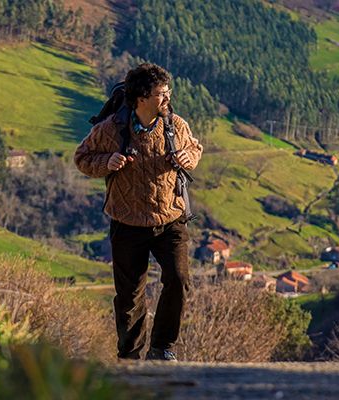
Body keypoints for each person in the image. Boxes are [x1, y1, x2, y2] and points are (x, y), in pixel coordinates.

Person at [74, 63, 203, 361]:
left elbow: (195, 149)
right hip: (127, 223)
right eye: (161, 94)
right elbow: (82, 158)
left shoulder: (176, 126)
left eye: (168, 92)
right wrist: (107, 162)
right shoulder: (111, 130)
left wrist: (188, 157)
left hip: (170, 219)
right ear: (142, 97)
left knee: (179, 279)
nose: (168, 98)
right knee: (130, 297)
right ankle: (130, 356)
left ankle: (161, 347)